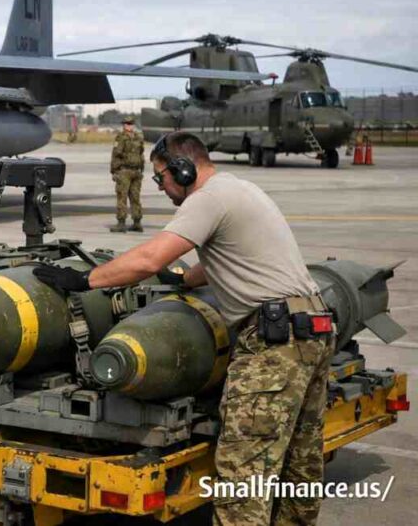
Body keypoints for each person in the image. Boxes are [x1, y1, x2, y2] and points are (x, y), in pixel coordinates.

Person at [34, 131, 334, 525]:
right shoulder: (239, 190)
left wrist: (87, 280)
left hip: (274, 343)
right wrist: (181, 280)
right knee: (299, 462)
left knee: (242, 476)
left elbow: (148, 257)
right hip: (311, 329)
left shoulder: (206, 199)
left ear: (183, 169)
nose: (161, 188)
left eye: (161, 178)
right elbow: (222, 260)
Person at [109, 116, 144, 232]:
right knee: (130, 197)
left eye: (130, 124)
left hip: (129, 172)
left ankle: (127, 222)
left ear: (132, 125)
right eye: (127, 124)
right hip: (131, 171)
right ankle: (131, 222)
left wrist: (114, 171)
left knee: (127, 197)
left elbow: (116, 154)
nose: (128, 126)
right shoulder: (137, 137)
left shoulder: (123, 137)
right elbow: (140, 154)